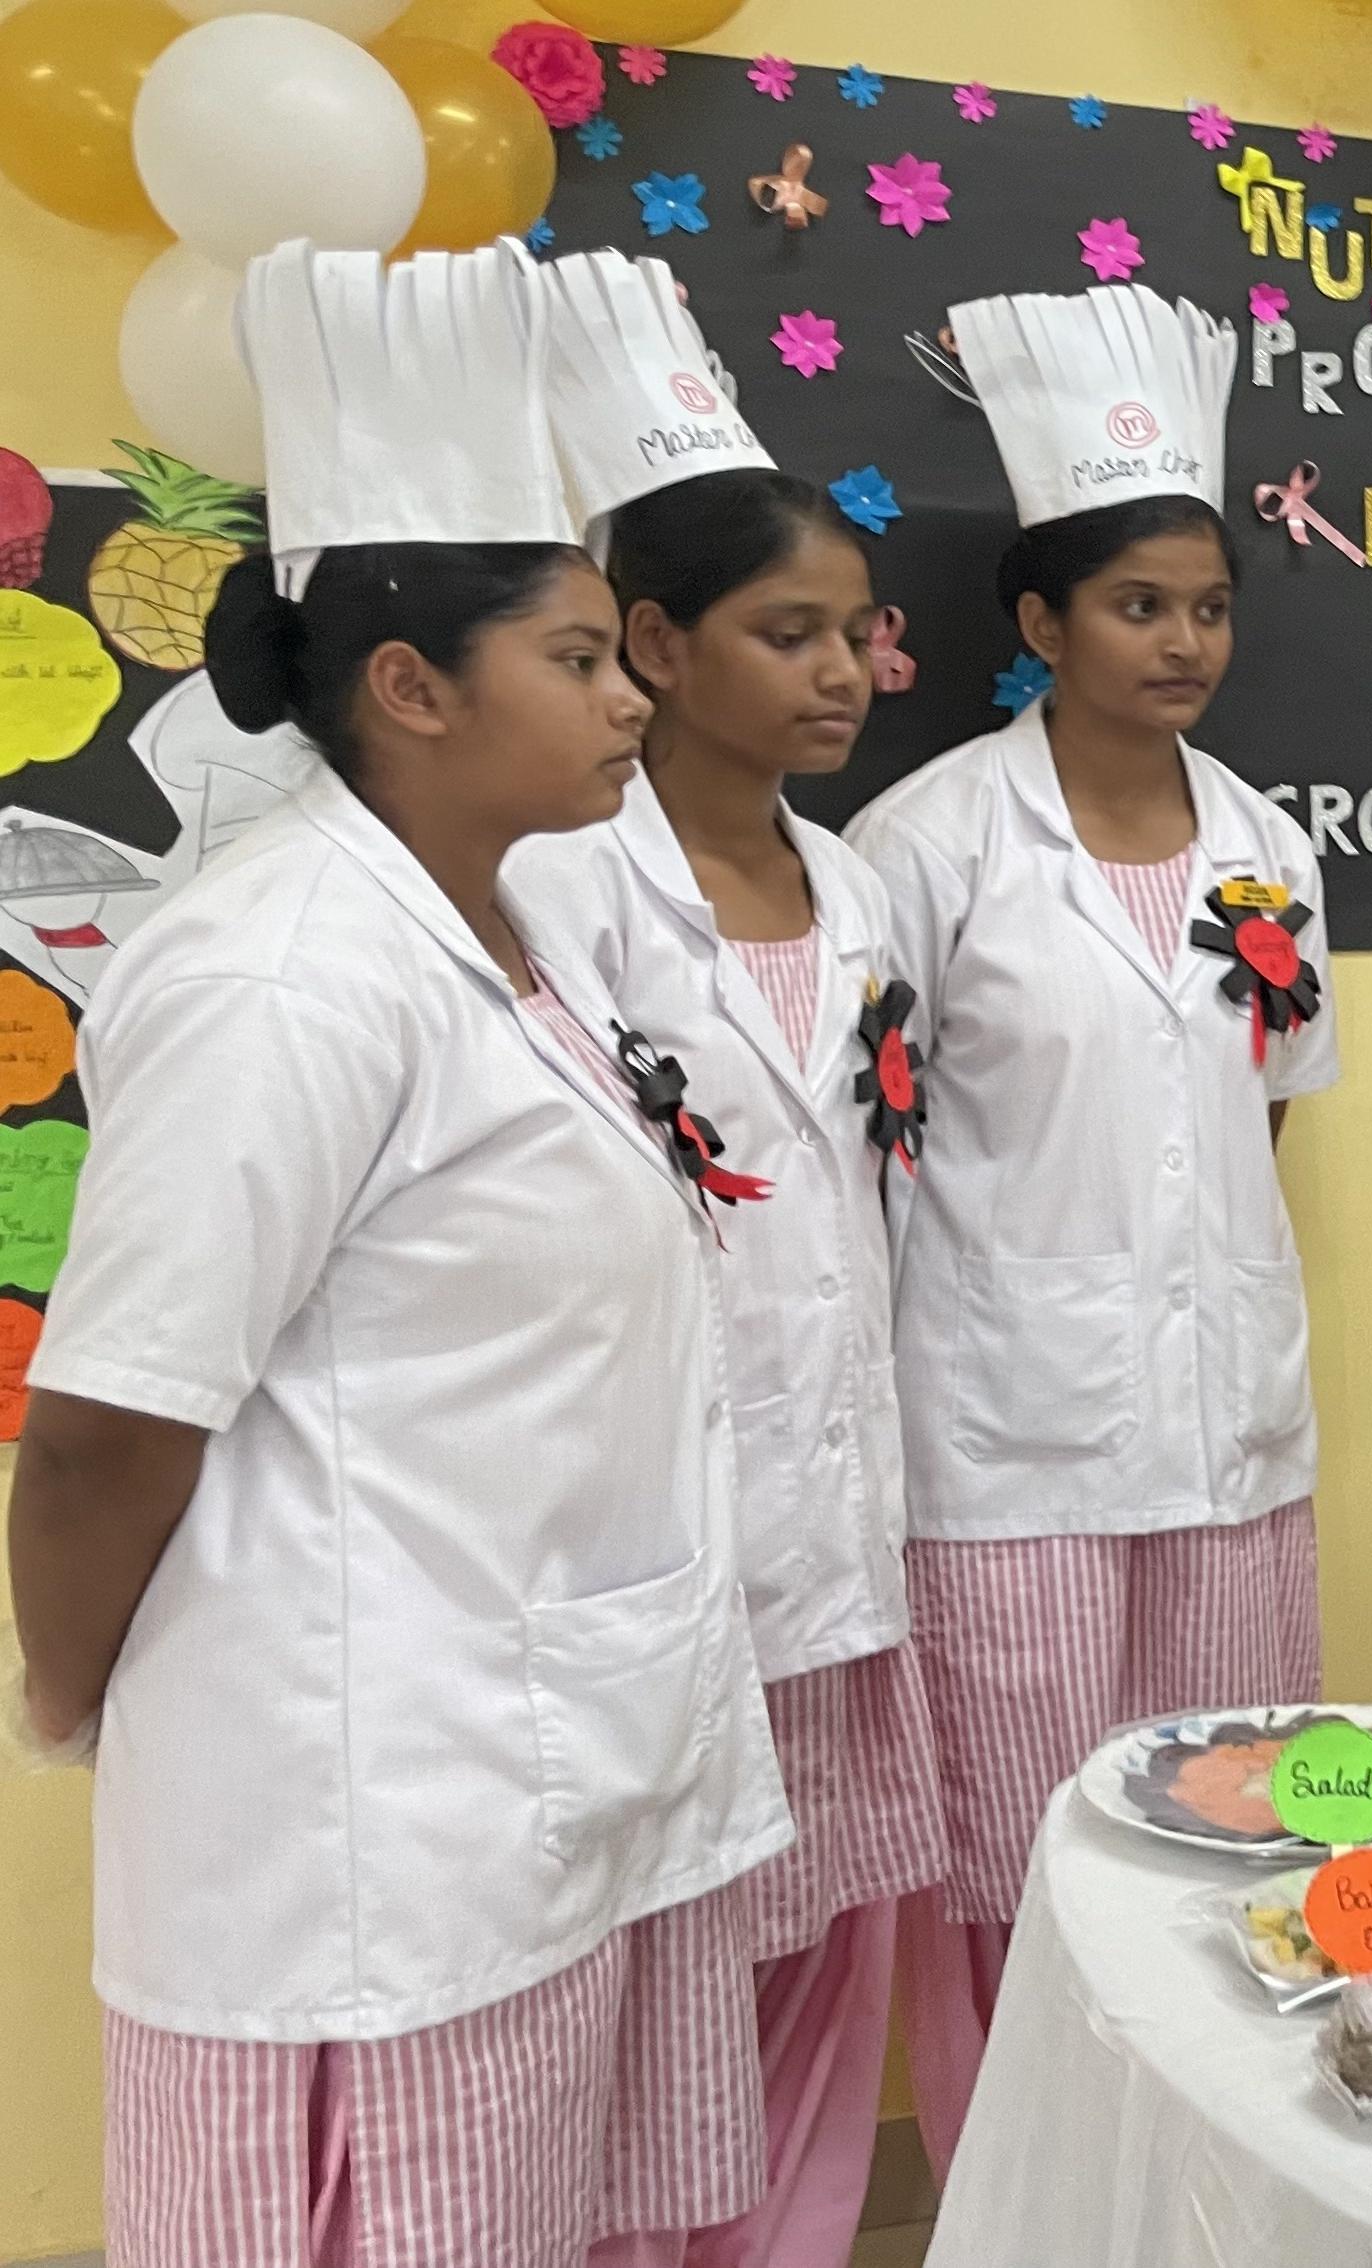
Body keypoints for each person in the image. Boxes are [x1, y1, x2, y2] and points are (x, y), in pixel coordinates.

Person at [6, 240, 785, 2267]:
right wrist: (95, 1700)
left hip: (535, 1763)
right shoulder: (282, 974)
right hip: (366, 1816)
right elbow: (102, 1428)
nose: (633, 697)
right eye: (579, 659)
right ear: (411, 687)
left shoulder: (522, 928)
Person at [842, 283, 1337, 2167]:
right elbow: (870, 1151)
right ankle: (1021, 2193)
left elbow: (1263, 1112)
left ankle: (1210, 2181)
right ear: (1042, 623)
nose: (1184, 641)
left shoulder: (1268, 847)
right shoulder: (926, 848)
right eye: (1139, 605)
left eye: (1209, 605)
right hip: (1005, 1446)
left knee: (1230, 1828)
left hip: (1227, 1436)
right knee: (1020, 1852)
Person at [520, 250, 948, 2268]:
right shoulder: (563, 890)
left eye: (856, 633)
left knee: (831, 1953)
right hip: (662, 1531)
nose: (843, 672)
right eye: (791, 634)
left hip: (838, 1532)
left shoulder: (856, 887)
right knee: (677, 1997)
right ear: (655, 645)